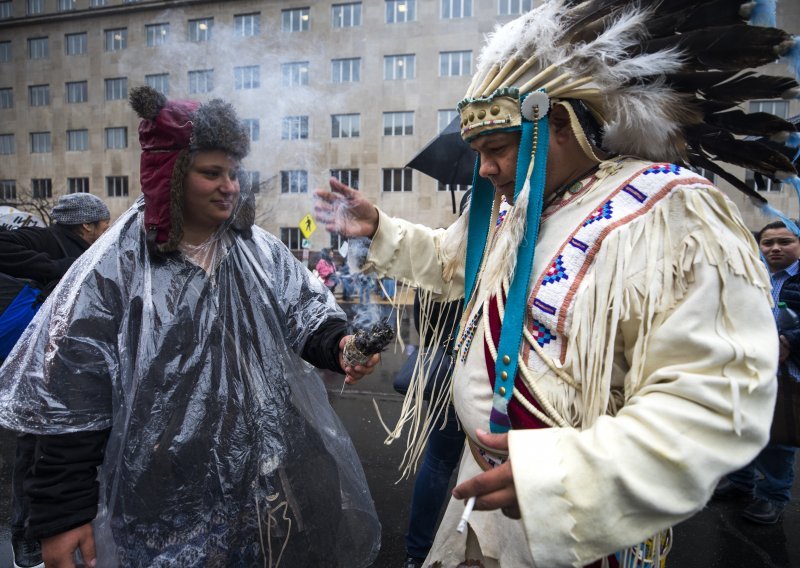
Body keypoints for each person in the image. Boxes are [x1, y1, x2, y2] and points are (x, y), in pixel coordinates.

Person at [315, 3, 798, 566]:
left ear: (561, 126)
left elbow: (715, 398)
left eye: (498, 150)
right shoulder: (515, 207)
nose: (487, 170)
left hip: (574, 517)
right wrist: (379, 228)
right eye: (480, 155)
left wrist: (562, 479)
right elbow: (454, 263)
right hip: (490, 486)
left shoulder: (674, 211)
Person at [0, 86, 380, 567]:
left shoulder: (256, 250)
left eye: (232, 172)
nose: (230, 186)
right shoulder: (112, 270)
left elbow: (305, 312)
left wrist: (341, 345)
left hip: (268, 485)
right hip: (165, 502)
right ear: (171, 174)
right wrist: (62, 515)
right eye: (210, 173)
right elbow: (69, 402)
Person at [0, 192, 110, 568]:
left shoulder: (93, 253)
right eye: (102, 224)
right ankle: (26, 537)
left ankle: (54, 530)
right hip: (40, 369)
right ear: (85, 225)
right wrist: (57, 268)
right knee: (34, 448)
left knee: (56, 448)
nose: (105, 230)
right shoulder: (48, 241)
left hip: (69, 366)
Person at [713, 221, 800, 524]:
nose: (775, 248)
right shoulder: (750, 276)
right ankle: (739, 482)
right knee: (739, 427)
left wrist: (790, 341)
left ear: (798, 245)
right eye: (768, 242)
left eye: (785, 242)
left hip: (786, 373)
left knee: (777, 438)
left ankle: (772, 496)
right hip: (746, 368)